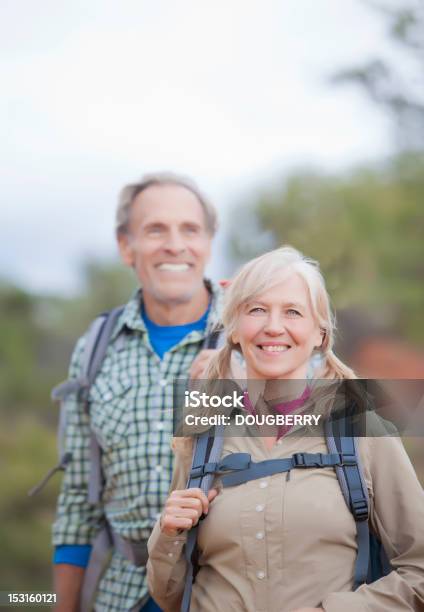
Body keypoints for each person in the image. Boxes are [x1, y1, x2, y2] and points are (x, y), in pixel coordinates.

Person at [147, 245, 424, 612]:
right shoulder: (203, 432)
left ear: (319, 334)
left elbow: (419, 572)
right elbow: (168, 596)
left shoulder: (362, 430)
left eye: (292, 312)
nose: (273, 326)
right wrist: (167, 534)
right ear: (234, 331)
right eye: (257, 310)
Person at [52, 172, 224, 612]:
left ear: (208, 242)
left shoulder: (255, 334)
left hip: (229, 590)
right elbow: (77, 500)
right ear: (126, 246)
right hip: (124, 596)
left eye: (189, 229)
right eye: (155, 230)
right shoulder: (95, 348)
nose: (174, 244)